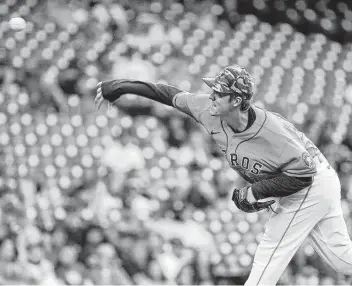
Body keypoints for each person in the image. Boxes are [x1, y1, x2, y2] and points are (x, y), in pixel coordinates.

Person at [94, 65, 352, 285]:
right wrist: (121, 86)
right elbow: (168, 94)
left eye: (219, 93)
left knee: (269, 254)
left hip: (312, 183)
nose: (212, 95)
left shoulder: (270, 130)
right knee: (342, 261)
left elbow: (304, 176)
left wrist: (255, 192)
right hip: (311, 182)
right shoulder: (208, 109)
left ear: (237, 101)